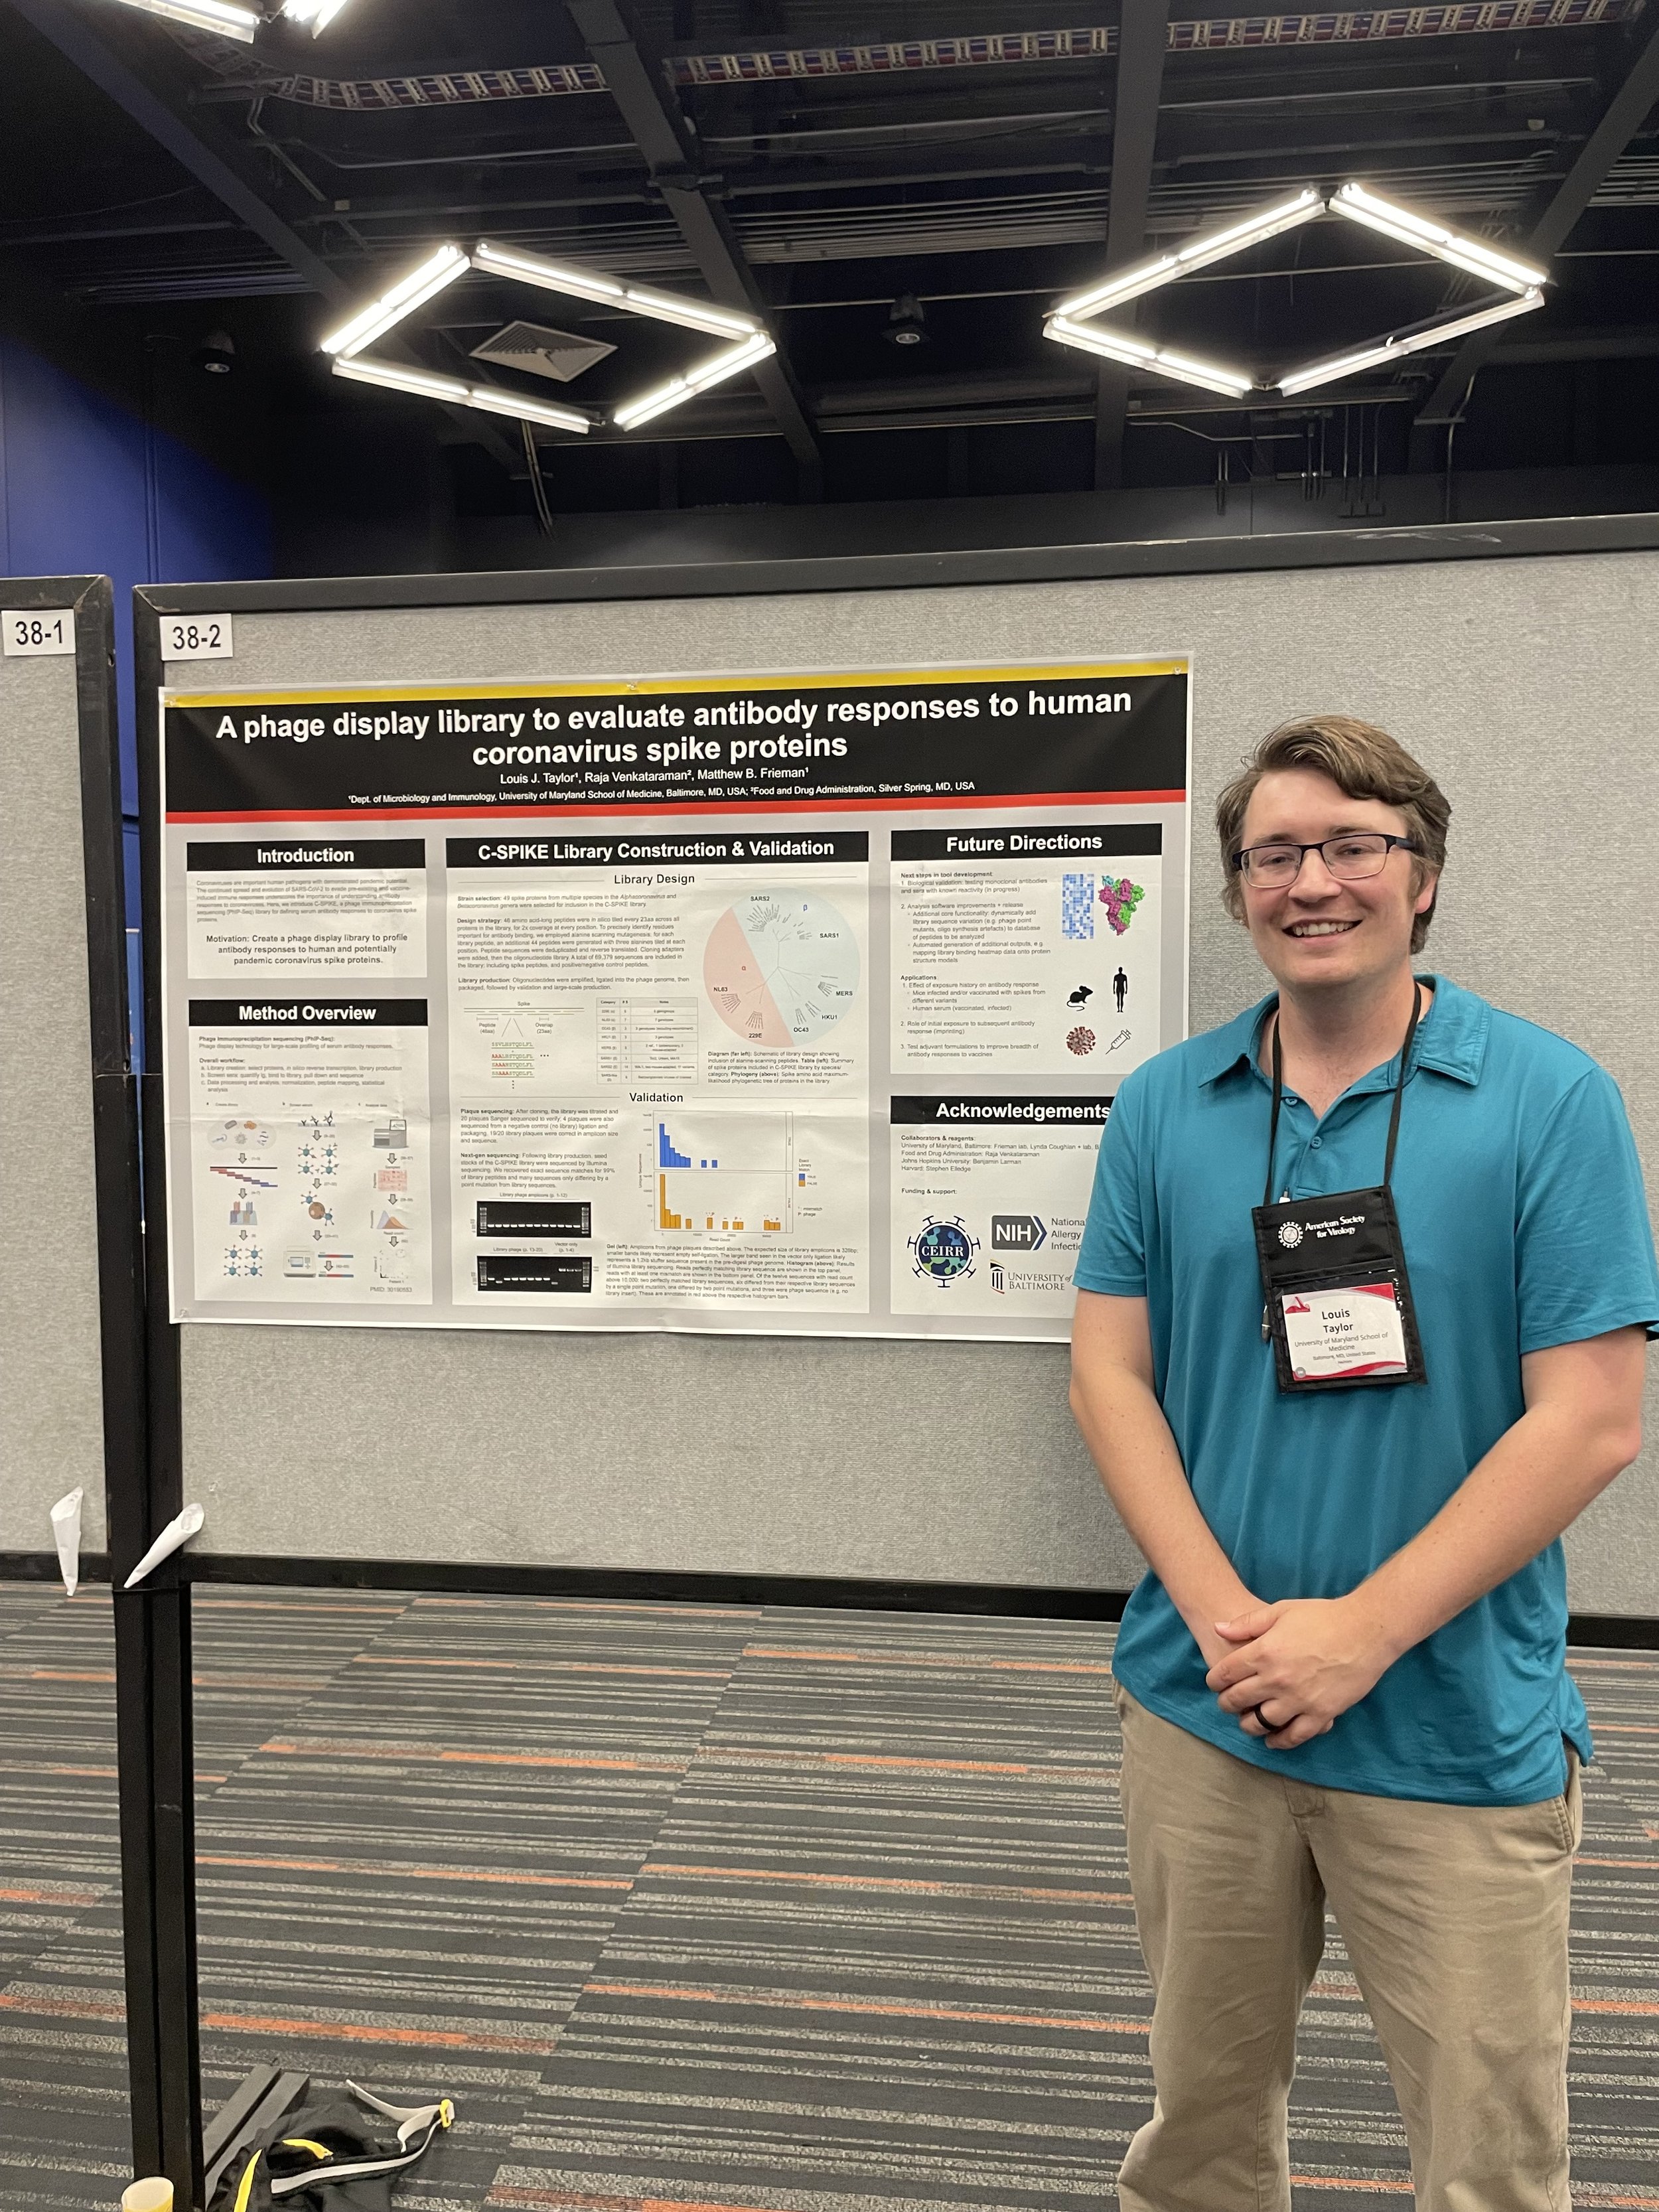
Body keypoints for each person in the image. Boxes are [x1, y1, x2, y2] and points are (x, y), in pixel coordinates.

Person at [1068, 715, 1656, 2212]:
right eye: (1274, 852)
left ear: (1422, 875)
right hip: (1204, 1707)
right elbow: (1107, 1373)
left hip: (1449, 1720)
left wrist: (1358, 1634)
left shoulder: (1546, 1098)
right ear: (1236, 888)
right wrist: (1220, 1620)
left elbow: (1588, 1417)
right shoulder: (1162, 1105)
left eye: (1350, 844)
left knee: (1487, 2150)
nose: (1310, 879)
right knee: (1197, 2122)